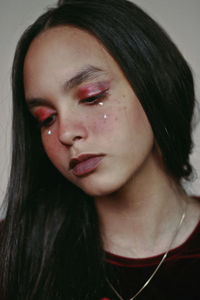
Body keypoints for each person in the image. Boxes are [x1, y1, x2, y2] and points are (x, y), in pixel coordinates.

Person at [0, 0, 199, 299]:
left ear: (155, 84)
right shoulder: (11, 256)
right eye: (46, 119)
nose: (66, 133)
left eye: (92, 97)